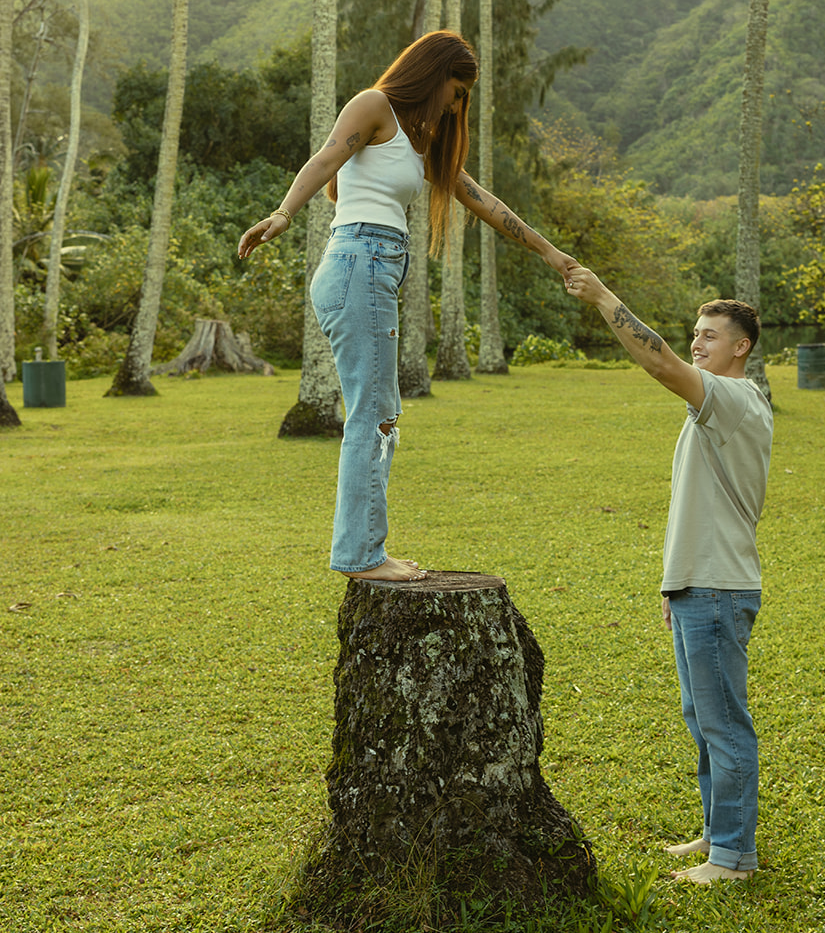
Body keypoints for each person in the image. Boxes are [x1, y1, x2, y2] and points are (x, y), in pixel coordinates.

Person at [238, 30, 576, 584]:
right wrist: (283, 214)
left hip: (376, 270)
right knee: (372, 418)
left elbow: (482, 201)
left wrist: (551, 253)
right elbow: (326, 158)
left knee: (384, 418)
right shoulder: (375, 107)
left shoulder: (421, 142)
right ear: (433, 72)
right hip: (358, 263)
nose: (457, 102)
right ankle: (362, 556)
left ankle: (365, 549)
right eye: (457, 88)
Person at [564, 269, 773, 883]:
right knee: (701, 719)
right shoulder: (715, 402)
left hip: (718, 586)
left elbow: (659, 365)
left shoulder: (733, 398)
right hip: (696, 584)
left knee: (725, 724)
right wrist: (671, 583)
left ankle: (734, 857)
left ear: (742, 347)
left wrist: (604, 298)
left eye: (711, 336)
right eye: (695, 334)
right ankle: (716, 833)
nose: (697, 343)